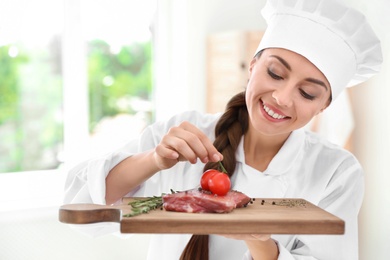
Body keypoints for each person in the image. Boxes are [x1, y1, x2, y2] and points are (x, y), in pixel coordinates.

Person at [63, 0, 382, 259]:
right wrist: (153, 161)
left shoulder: (336, 172)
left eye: (308, 93)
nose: (282, 98)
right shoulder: (183, 133)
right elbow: (81, 209)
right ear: (253, 65)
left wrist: (260, 242)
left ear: (324, 105)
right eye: (275, 72)